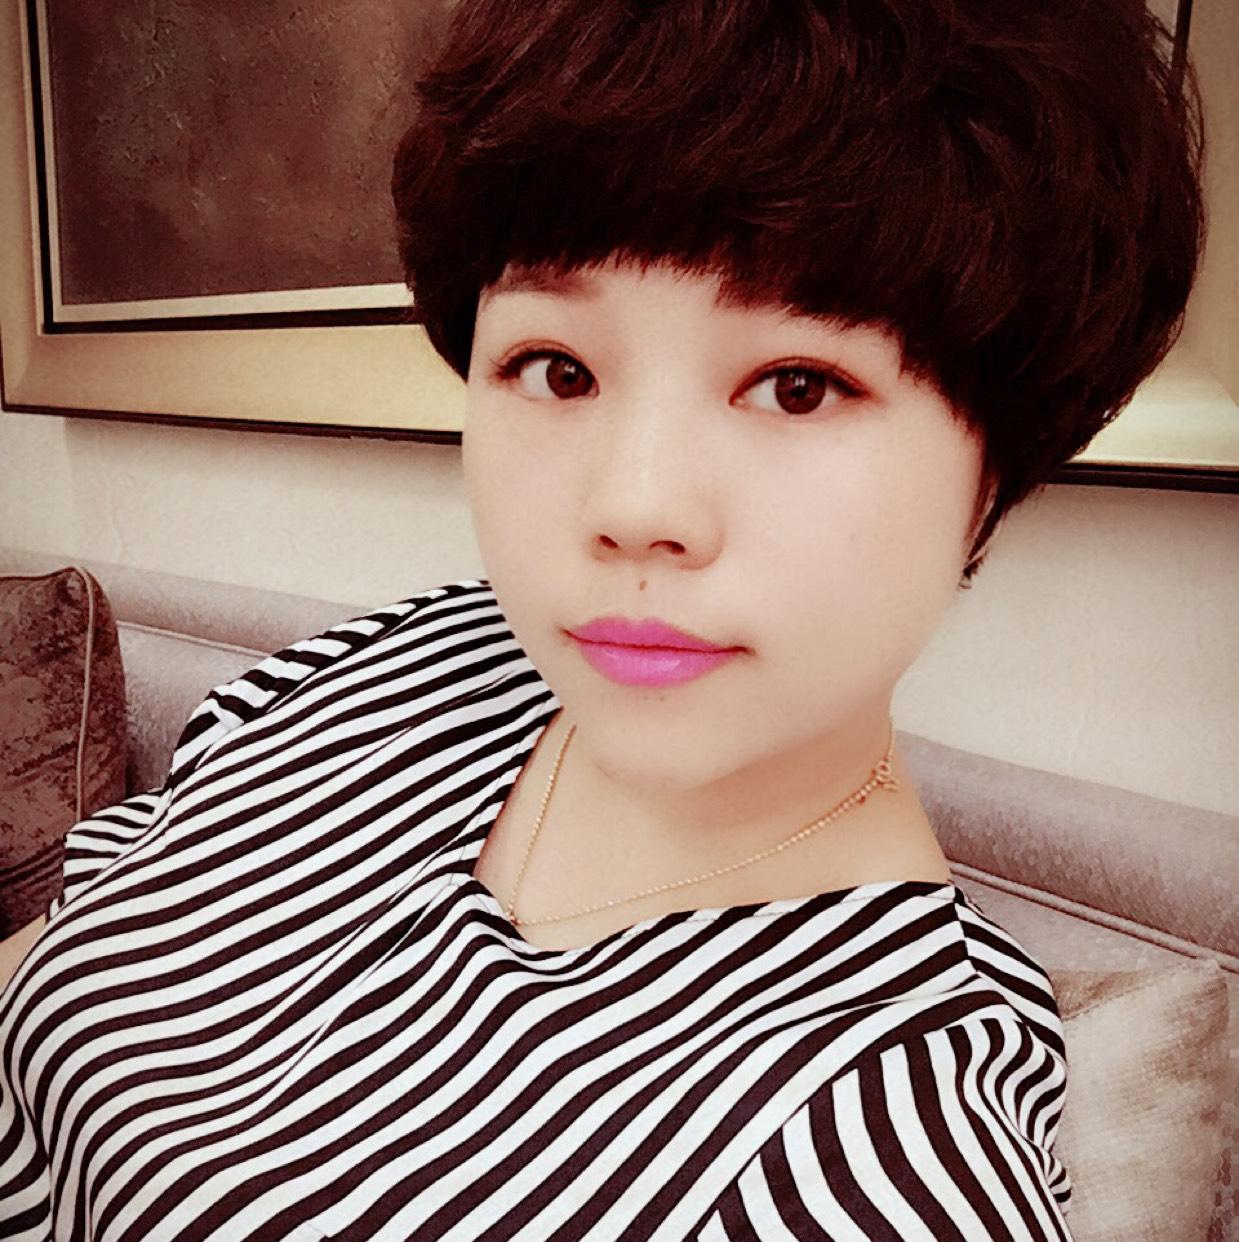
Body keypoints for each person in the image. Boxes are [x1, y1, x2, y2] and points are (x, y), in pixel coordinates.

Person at [0, 0, 1203, 1236]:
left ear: (994, 466)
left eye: (798, 386)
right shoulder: (405, 659)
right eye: (557, 368)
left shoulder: (882, 1162)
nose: (634, 510)